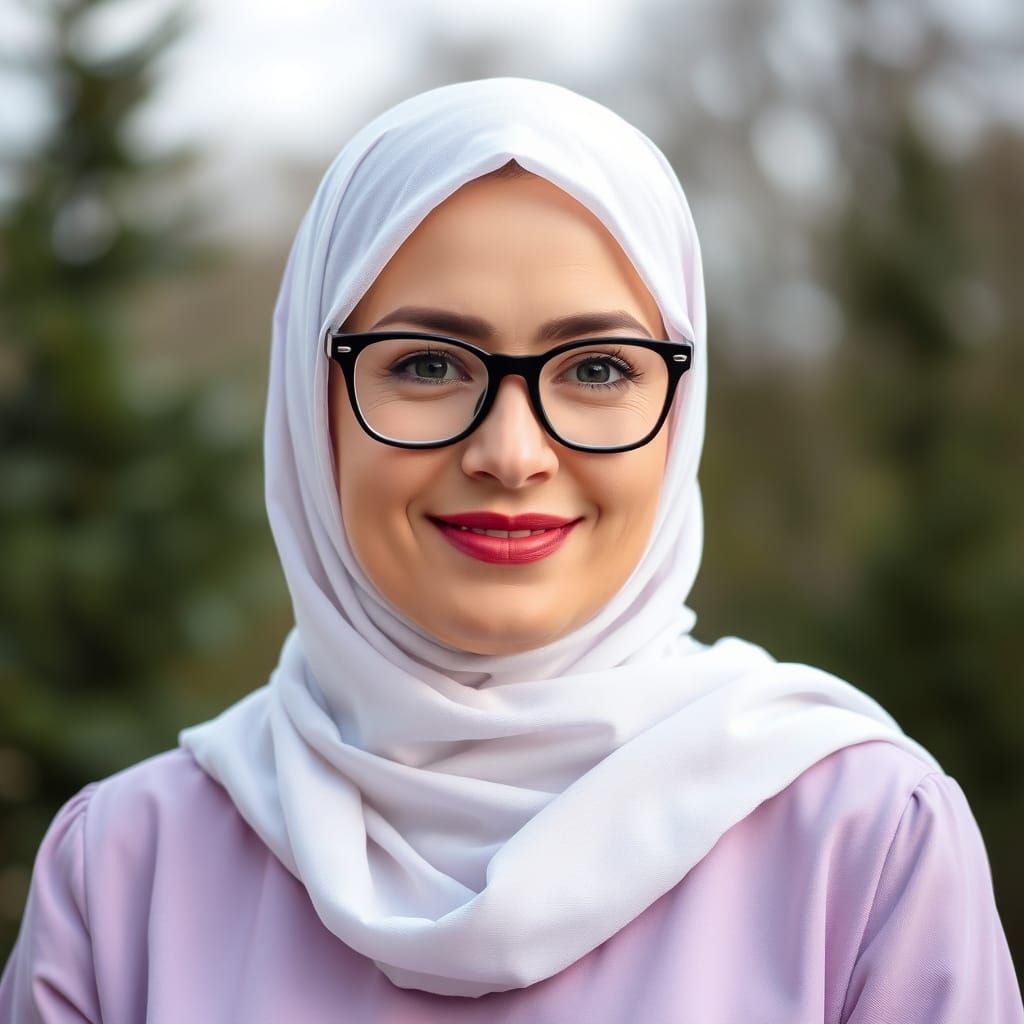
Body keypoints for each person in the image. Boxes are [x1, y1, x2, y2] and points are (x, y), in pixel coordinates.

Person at [1, 77, 1021, 1023]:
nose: (511, 453)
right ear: (313, 407)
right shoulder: (123, 874)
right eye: (427, 363)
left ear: (682, 411)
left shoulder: (864, 841)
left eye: (598, 369)